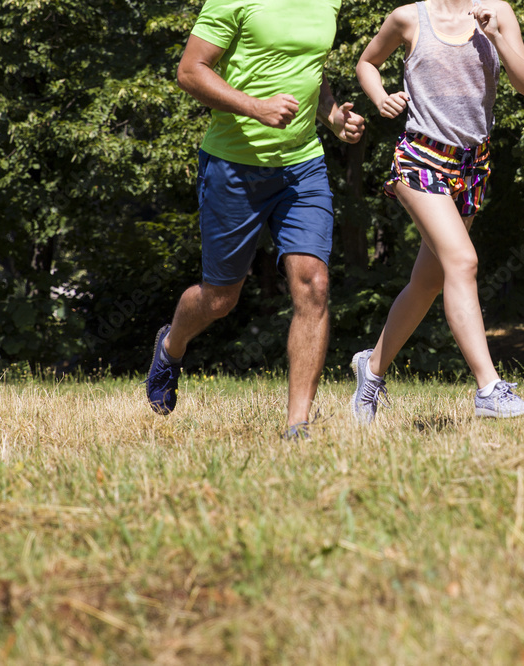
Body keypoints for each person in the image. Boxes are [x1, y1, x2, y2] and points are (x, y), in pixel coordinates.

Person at [146, 0, 365, 439]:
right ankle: (171, 346)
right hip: (233, 167)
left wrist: (333, 116)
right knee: (220, 299)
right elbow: (190, 71)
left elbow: (311, 70)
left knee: (314, 284)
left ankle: (297, 425)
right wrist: (255, 107)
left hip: (302, 166)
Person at [350, 0, 524, 423]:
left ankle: (372, 368)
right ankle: (489, 388)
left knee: (428, 282)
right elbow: (367, 62)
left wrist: (495, 36)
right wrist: (379, 97)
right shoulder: (408, 18)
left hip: (472, 165)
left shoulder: (498, 12)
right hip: (420, 158)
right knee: (463, 260)